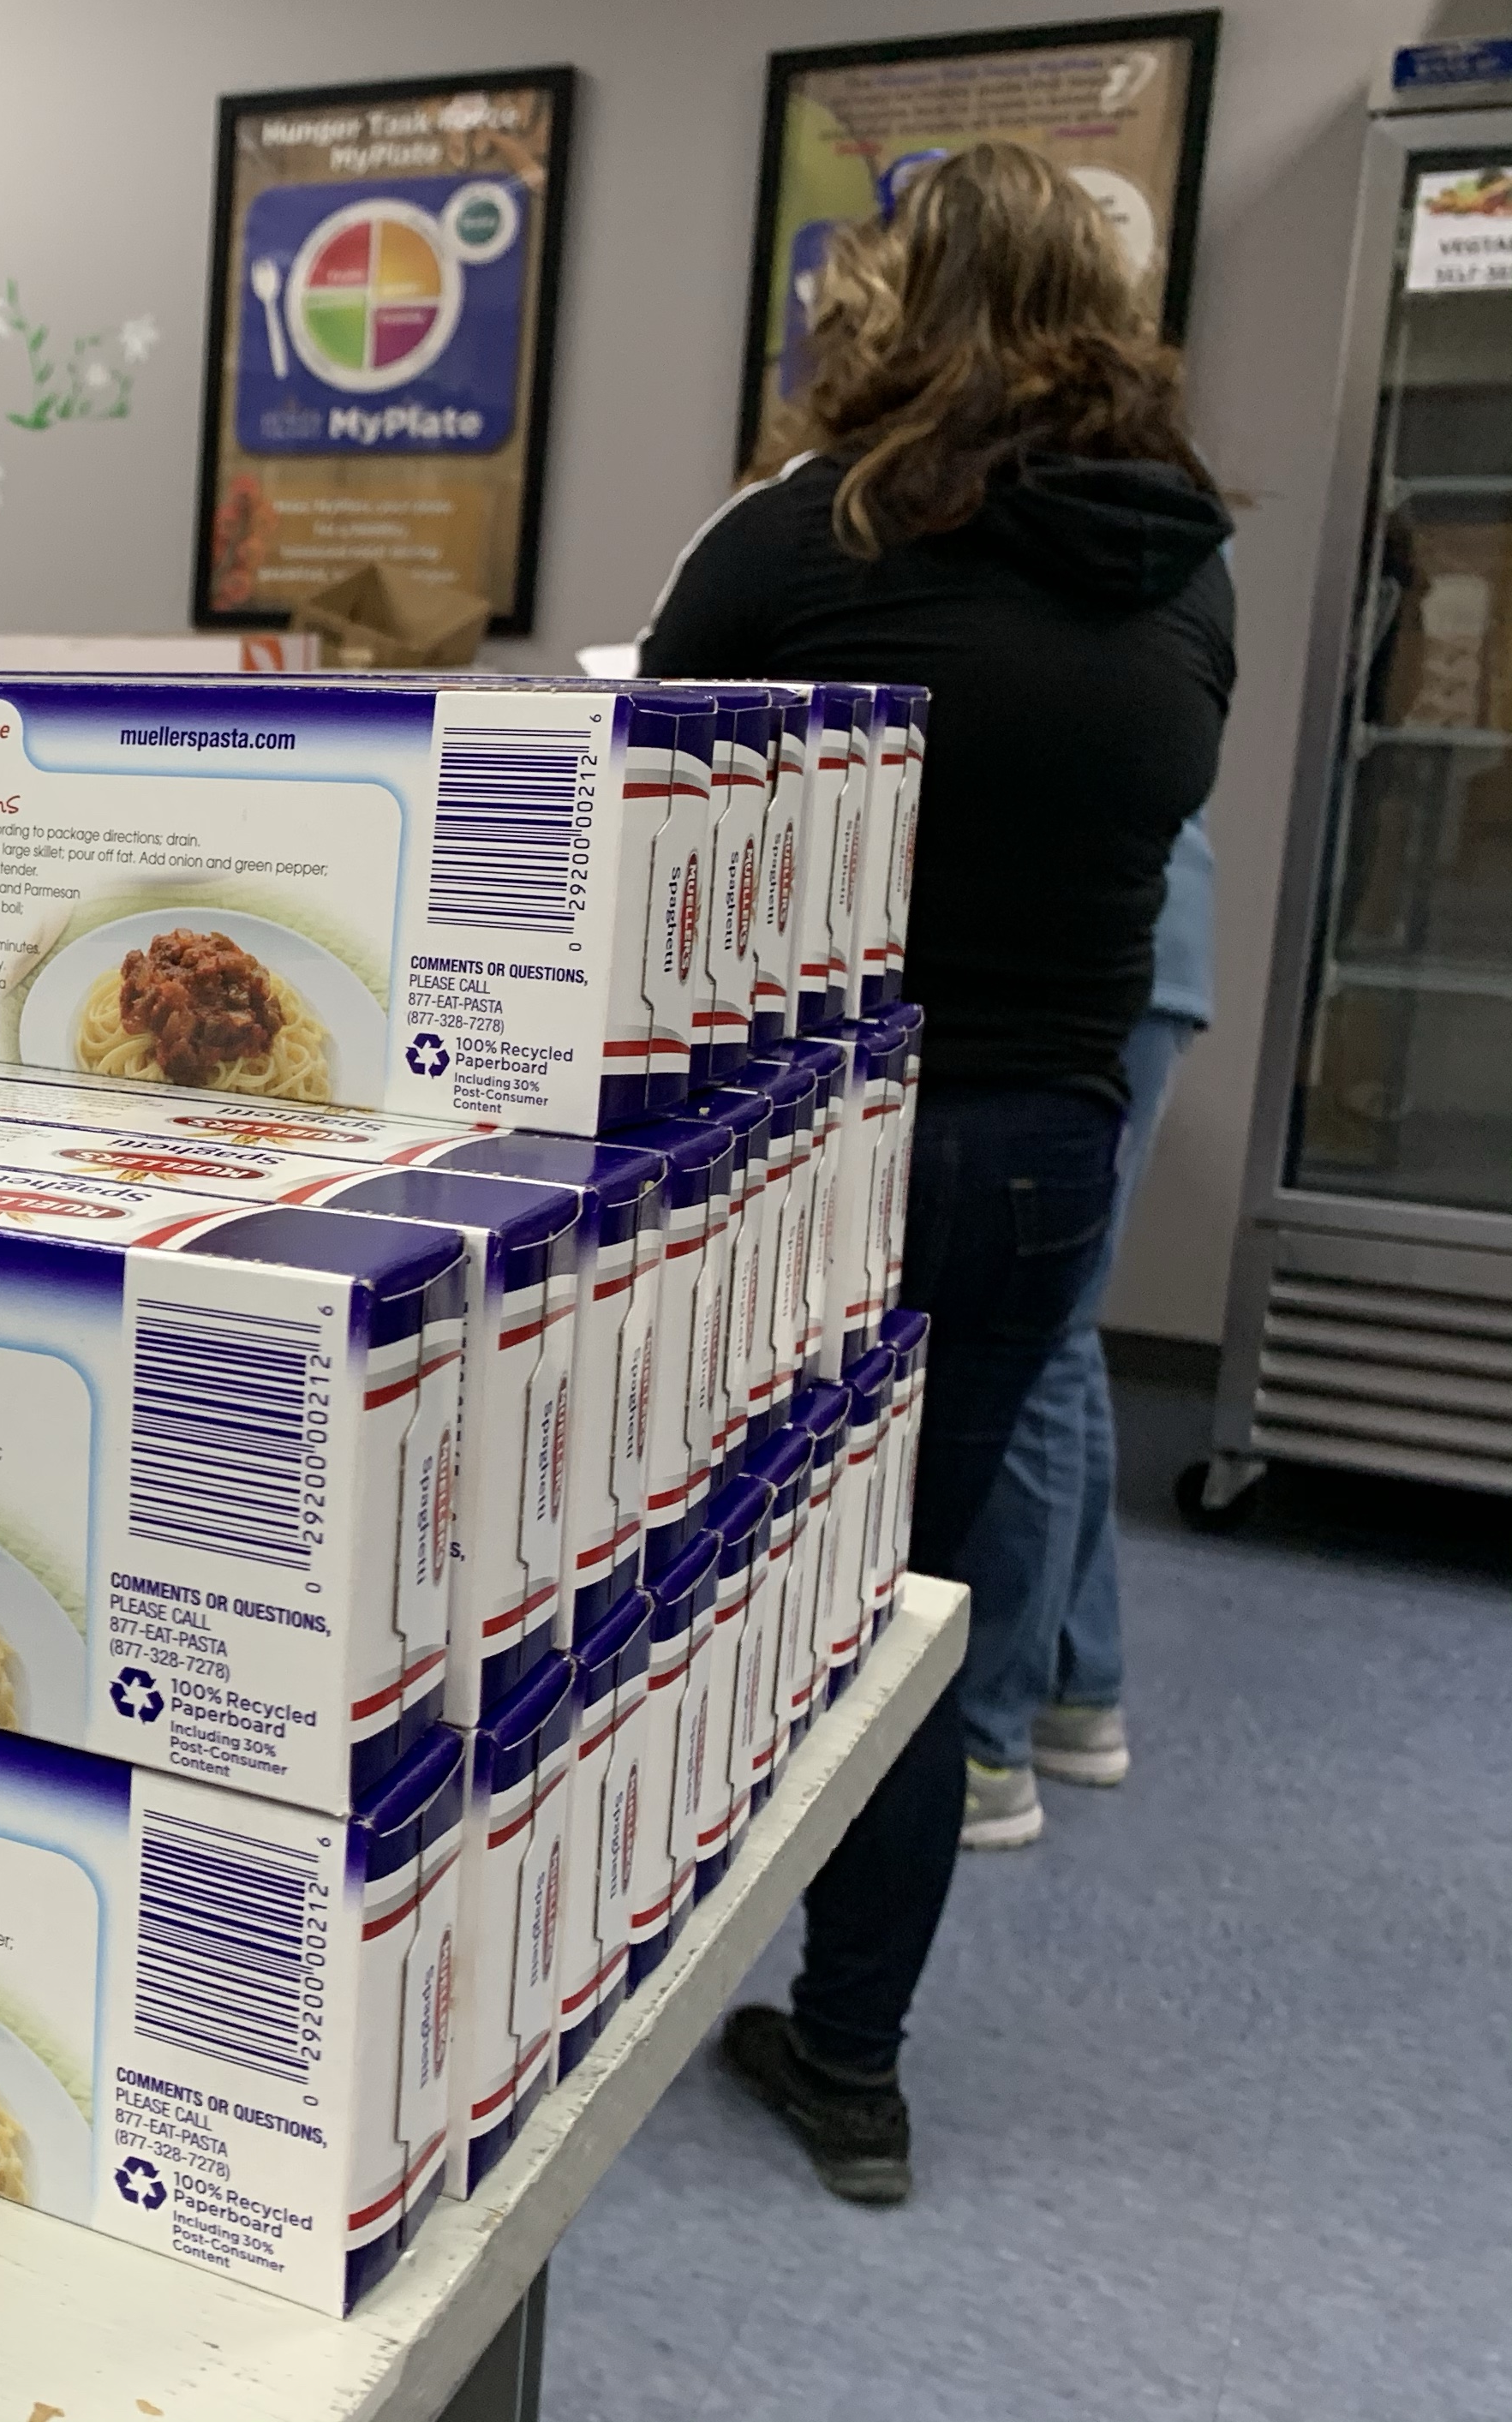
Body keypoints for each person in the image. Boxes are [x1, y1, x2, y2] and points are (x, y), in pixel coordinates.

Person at [636, 141, 1235, 2204]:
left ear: (908, 293)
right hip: (1049, 1149)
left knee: (695, 1571)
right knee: (910, 1608)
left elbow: (641, 823)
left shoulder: (810, 536)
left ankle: (597, 1970)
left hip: (813, 1143)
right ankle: (854, 2063)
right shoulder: (1187, 566)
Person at [956, 808, 1211, 1846]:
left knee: (1037, 1334)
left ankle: (987, 1745)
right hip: (1125, 943)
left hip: (1087, 948)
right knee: (1065, 1329)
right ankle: (1076, 1688)